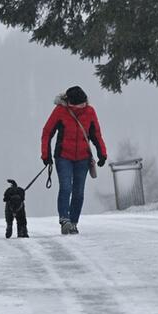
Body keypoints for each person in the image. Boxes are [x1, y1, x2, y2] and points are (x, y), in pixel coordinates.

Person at [41, 85, 108, 235]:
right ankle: (64, 220)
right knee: (66, 187)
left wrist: (102, 153)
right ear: (69, 102)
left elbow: (96, 134)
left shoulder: (90, 111)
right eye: (78, 105)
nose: (81, 107)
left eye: (83, 104)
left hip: (83, 158)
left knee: (78, 192)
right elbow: (47, 132)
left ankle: (73, 222)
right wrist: (46, 155)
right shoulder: (60, 111)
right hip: (63, 156)